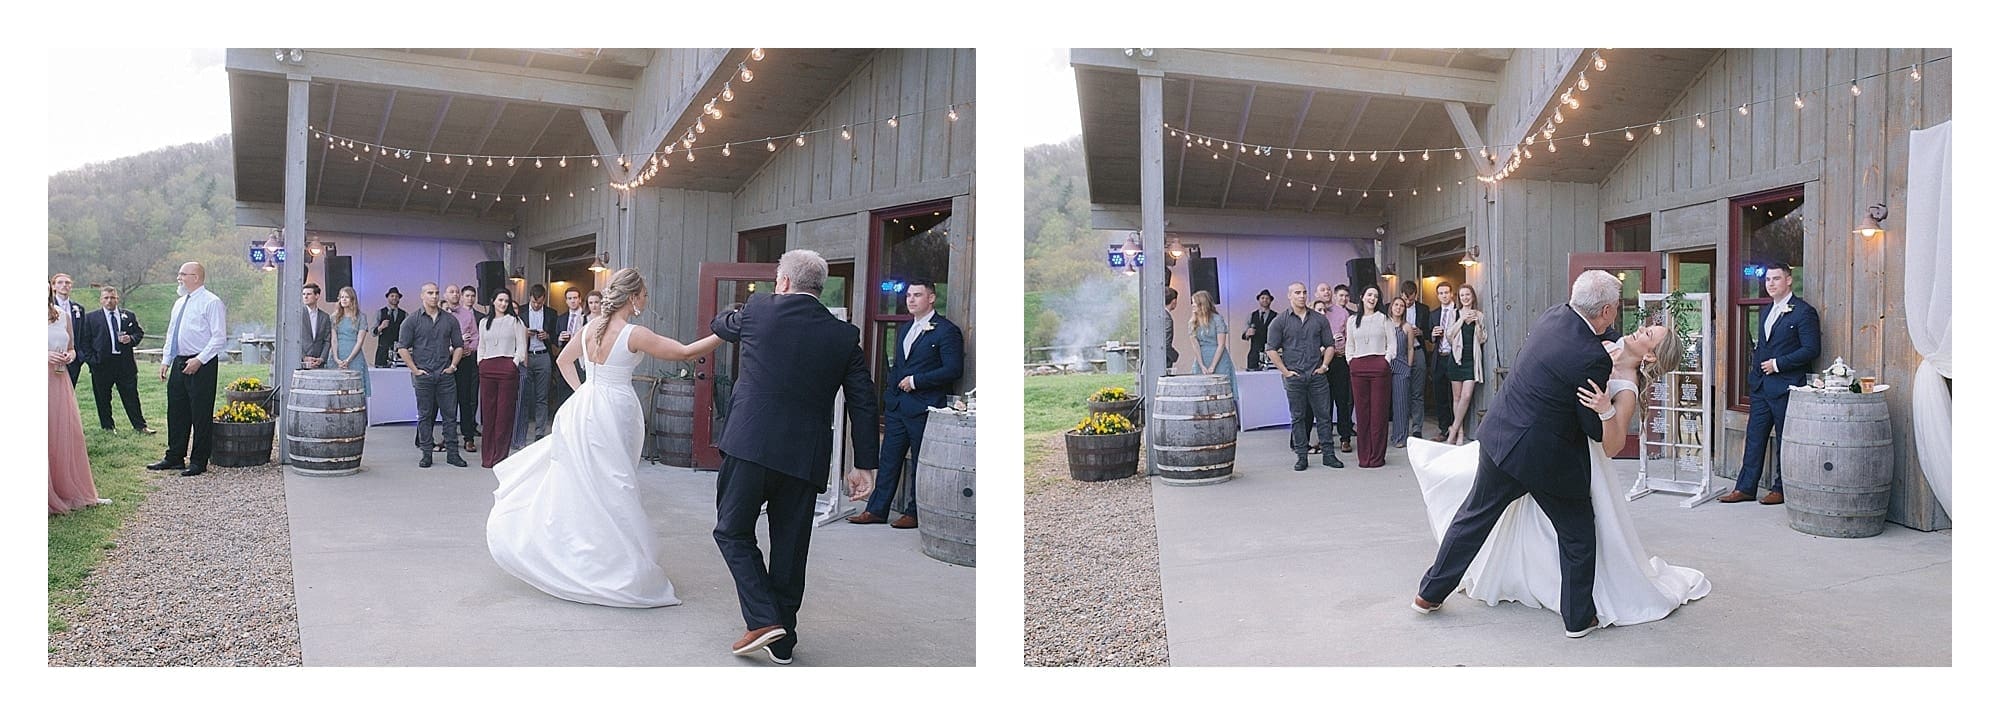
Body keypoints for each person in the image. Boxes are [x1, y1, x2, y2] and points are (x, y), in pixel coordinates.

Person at [1410, 311, 1707, 632]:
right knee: (1563, 532)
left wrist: (1605, 409)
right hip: (1539, 445)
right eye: (1646, 327)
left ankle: (1433, 593)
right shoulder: (1600, 345)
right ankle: (1576, 615)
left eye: (1648, 334)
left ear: (1650, 355)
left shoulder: (1627, 387)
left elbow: (1612, 445)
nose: (1639, 330)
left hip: (1564, 455)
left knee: (1519, 522)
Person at [487, 267, 726, 609]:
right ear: (633, 298)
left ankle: (580, 554)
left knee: (587, 484)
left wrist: (585, 391)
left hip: (584, 408)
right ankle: (613, 566)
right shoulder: (634, 333)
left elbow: (564, 361)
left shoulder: (589, 328)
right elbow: (685, 352)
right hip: (615, 411)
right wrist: (724, 332)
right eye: (643, 294)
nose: (646, 298)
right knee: (616, 485)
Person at [1410, 271, 1629, 638]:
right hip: (1544, 458)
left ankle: (1428, 594)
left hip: (1500, 436)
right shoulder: (1592, 359)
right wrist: (1609, 408)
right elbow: (1592, 427)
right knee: (1577, 534)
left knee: (1473, 518)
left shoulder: (1552, 316)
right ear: (1606, 310)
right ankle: (1578, 619)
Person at [710, 250, 880, 665]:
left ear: (782, 281)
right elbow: (864, 402)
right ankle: (783, 641)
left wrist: (736, 314)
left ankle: (765, 619)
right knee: (790, 546)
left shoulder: (758, 310)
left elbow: (719, 325)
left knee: (732, 531)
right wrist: (864, 464)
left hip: (750, 445)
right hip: (805, 456)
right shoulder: (843, 335)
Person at [849, 280, 963, 528]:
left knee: (920, 462)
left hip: (924, 407)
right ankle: (876, 509)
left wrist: (917, 381)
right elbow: (899, 365)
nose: (911, 300)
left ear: (931, 298)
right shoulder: (905, 329)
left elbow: (953, 369)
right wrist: (891, 393)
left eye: (917, 295)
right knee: (889, 459)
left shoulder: (946, 330)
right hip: (898, 407)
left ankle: (914, 512)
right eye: (909, 295)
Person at [1721, 262, 1821, 505]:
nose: (1771, 284)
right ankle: (1745, 488)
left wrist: (1778, 364)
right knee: (1754, 437)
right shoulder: (1766, 311)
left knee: (1785, 439)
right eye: (1767, 280)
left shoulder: (1803, 312)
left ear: (1789, 280)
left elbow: (1811, 349)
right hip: (1761, 387)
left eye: (1776, 279)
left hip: (1786, 385)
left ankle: (1781, 488)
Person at [150, 262, 228, 477]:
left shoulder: (212, 302)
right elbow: (171, 332)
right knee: (176, 410)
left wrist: (200, 360)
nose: (179, 278)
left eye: (183, 274)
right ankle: (174, 456)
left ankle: (198, 460)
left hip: (202, 363)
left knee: (200, 413)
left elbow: (219, 337)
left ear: (196, 277)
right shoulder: (179, 303)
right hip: (179, 360)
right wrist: (166, 360)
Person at [1264, 282, 1343, 471]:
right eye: (1297, 293)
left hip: (1316, 374)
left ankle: (1329, 455)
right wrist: (1285, 372)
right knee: (1298, 417)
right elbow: (1270, 349)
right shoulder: (1280, 321)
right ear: (1289, 296)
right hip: (1294, 376)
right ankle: (1301, 457)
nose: (1301, 296)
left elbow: (1330, 344)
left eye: (1304, 292)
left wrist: (1325, 365)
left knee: (1324, 416)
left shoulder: (1318, 319)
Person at [397, 283, 467, 469]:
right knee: (425, 416)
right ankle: (426, 454)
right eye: (430, 293)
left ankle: (453, 454)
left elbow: (459, 345)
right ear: (422, 296)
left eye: (436, 293)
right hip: (424, 375)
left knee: (450, 416)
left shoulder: (450, 320)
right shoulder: (412, 320)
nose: (434, 296)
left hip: (445, 374)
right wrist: (414, 369)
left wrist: (453, 365)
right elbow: (402, 347)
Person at [50, 300, 109, 514]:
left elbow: (72, 348)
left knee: (64, 434)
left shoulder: (61, 314)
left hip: (58, 379)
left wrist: (69, 356)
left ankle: (70, 490)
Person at [78, 286, 154, 433]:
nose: (109, 301)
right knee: (103, 398)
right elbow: (84, 342)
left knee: (131, 396)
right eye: (106, 298)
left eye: (112, 297)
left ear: (117, 299)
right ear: (101, 300)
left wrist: (131, 338)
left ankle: (140, 426)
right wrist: (93, 360)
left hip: (125, 364)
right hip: (102, 364)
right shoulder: (91, 318)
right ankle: (108, 427)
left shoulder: (128, 315)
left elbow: (139, 333)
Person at [1345, 286, 1398, 468]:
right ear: (1361, 297)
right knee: (1362, 413)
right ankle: (1364, 457)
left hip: (1379, 367)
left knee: (1378, 413)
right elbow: (1349, 345)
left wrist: (1385, 361)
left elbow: (1392, 344)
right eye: (1369, 295)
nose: (1372, 298)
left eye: (1376, 296)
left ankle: (1376, 457)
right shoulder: (1352, 320)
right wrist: (1351, 361)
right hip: (1358, 367)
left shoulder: (1384, 319)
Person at [477, 289, 527, 468]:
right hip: (487, 368)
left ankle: (500, 457)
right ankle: (487, 457)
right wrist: (480, 362)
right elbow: (481, 345)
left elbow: (521, 348)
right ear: (493, 301)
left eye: (506, 301)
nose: (503, 304)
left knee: (504, 414)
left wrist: (513, 363)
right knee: (488, 413)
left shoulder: (515, 321)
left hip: (506, 368)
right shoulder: (484, 322)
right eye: (500, 300)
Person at [1441, 284, 1488, 445]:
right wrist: (1462, 319)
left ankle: (1453, 429)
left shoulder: (1479, 315)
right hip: (1456, 360)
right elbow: (1449, 335)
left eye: (1468, 295)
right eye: (1462, 295)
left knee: (1466, 396)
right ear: (1459, 298)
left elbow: (1482, 339)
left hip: (1471, 361)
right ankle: (1460, 433)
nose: (1465, 298)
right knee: (1457, 397)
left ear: (1473, 297)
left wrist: (1478, 325)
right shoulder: (1454, 314)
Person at [513, 284, 557, 449]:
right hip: (525, 356)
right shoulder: (521, 311)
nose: (536, 305)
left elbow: (555, 335)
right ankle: (521, 433)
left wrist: (547, 336)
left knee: (542, 396)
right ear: (530, 298)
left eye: (539, 303)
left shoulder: (551, 313)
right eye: (533, 302)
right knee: (523, 395)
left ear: (544, 299)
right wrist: (525, 334)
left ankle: (540, 432)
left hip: (543, 355)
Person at [1318, 283, 1356, 453]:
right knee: (1323, 403)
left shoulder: (1342, 313)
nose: (1325, 292)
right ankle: (1324, 439)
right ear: (1316, 293)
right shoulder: (1313, 313)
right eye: (1322, 290)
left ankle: (1345, 438)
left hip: (1339, 361)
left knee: (1343, 401)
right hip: (1320, 362)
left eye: (1327, 289)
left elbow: (1351, 338)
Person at [449, 285, 484, 453]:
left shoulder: (467, 315)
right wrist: (458, 343)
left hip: (465, 361)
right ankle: (449, 436)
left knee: (466, 400)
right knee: (448, 401)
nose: (455, 295)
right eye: (452, 292)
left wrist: (472, 347)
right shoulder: (443, 314)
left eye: (456, 292)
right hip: (446, 361)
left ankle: (468, 437)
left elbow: (476, 335)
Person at [1387, 295, 1424, 449]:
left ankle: (1400, 437)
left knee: (1401, 402)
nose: (1398, 308)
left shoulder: (1407, 327)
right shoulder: (1384, 324)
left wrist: (1408, 366)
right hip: (1386, 364)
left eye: (1401, 306)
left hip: (1402, 365)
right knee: (1383, 403)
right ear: (1391, 307)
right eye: (1396, 305)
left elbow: (1410, 348)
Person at [1399, 280, 1433, 440]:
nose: (1407, 302)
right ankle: (1402, 426)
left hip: (1418, 350)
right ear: (1401, 295)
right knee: (1400, 390)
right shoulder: (1393, 307)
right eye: (1405, 299)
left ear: (1416, 295)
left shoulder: (1424, 309)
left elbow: (1429, 331)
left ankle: (1417, 427)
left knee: (1417, 391)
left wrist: (1421, 332)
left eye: (1411, 300)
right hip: (1400, 353)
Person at [1189, 289, 1237, 399]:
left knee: (1221, 390)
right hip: (1202, 356)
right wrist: (1201, 365)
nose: (1192, 305)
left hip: (1218, 357)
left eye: (1194, 302)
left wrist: (1212, 367)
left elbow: (1221, 344)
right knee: (1201, 391)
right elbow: (1195, 345)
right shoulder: (1193, 322)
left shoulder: (1217, 319)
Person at [328, 286, 372, 398]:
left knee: (355, 390)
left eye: (346, 297)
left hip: (354, 355)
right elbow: (333, 339)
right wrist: (337, 359)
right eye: (342, 297)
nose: (343, 299)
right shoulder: (334, 317)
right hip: (337, 354)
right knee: (336, 390)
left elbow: (360, 340)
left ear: (352, 299)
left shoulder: (361, 317)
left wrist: (348, 360)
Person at [550, 286, 589, 412]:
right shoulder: (561, 318)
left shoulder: (587, 317)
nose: (572, 301)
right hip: (565, 358)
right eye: (569, 298)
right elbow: (555, 340)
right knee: (563, 393)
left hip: (582, 359)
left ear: (580, 300)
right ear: (566, 301)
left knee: (581, 391)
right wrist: (560, 339)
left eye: (575, 298)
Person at [1428, 281, 1458, 438]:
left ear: (1452, 293)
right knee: (1439, 395)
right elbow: (1429, 336)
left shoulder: (1459, 312)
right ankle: (1443, 428)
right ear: (1437, 295)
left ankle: (1456, 427)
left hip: (1454, 358)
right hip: (1439, 357)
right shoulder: (1434, 314)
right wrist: (1433, 335)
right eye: (1441, 293)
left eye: (1446, 292)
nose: (1444, 295)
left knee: (1454, 395)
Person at [51, 273, 85, 386]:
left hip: (73, 359)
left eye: (67, 283)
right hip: (52, 359)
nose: (64, 285)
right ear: (53, 287)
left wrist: (80, 355)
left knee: (69, 394)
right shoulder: (49, 307)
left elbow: (82, 333)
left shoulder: (78, 308)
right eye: (60, 282)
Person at [298, 283, 332, 370]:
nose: (305, 297)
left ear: (317, 296)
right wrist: (304, 357)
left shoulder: (325, 317)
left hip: (318, 363)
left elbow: (327, 340)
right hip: (300, 362)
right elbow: (294, 338)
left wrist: (322, 358)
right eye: (303, 294)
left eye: (309, 294)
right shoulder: (298, 314)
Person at [1242, 289, 1277, 370]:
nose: (1265, 300)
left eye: (1267, 298)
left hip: (1270, 353)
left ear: (1270, 301)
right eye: (1262, 298)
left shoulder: (1276, 316)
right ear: (1259, 300)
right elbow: (1244, 335)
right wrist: (1248, 333)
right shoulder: (1251, 315)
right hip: (1254, 353)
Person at [373, 287, 407, 368]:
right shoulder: (380, 312)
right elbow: (372, 332)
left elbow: (408, 331)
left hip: (398, 352)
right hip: (382, 351)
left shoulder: (404, 314)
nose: (394, 298)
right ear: (388, 297)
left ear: (399, 299)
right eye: (392, 296)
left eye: (396, 296)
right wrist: (381, 327)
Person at [1163, 286, 1180, 372]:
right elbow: (1165, 343)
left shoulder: (1158, 314)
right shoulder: (1167, 318)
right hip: (1164, 359)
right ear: (1174, 301)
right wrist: (1174, 355)